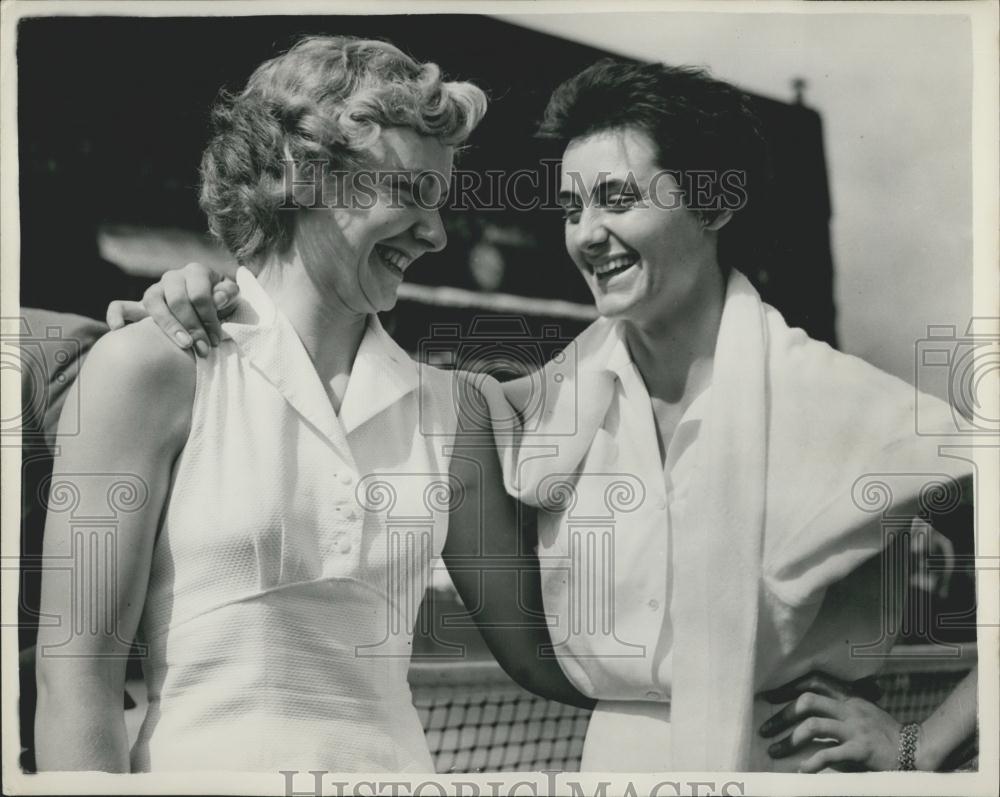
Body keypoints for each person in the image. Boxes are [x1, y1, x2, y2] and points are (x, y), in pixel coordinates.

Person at [107, 59, 976, 773]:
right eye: (571, 207)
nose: (587, 233)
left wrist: (916, 742)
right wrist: (175, 303)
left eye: (617, 198)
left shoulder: (841, 400)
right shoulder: (542, 403)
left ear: (713, 203)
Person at [34, 35, 588, 774]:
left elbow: (551, 655)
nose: (436, 232)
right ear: (307, 175)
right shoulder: (145, 368)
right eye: (411, 193)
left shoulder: (455, 411)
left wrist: (780, 670)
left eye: (440, 201)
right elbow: (76, 683)